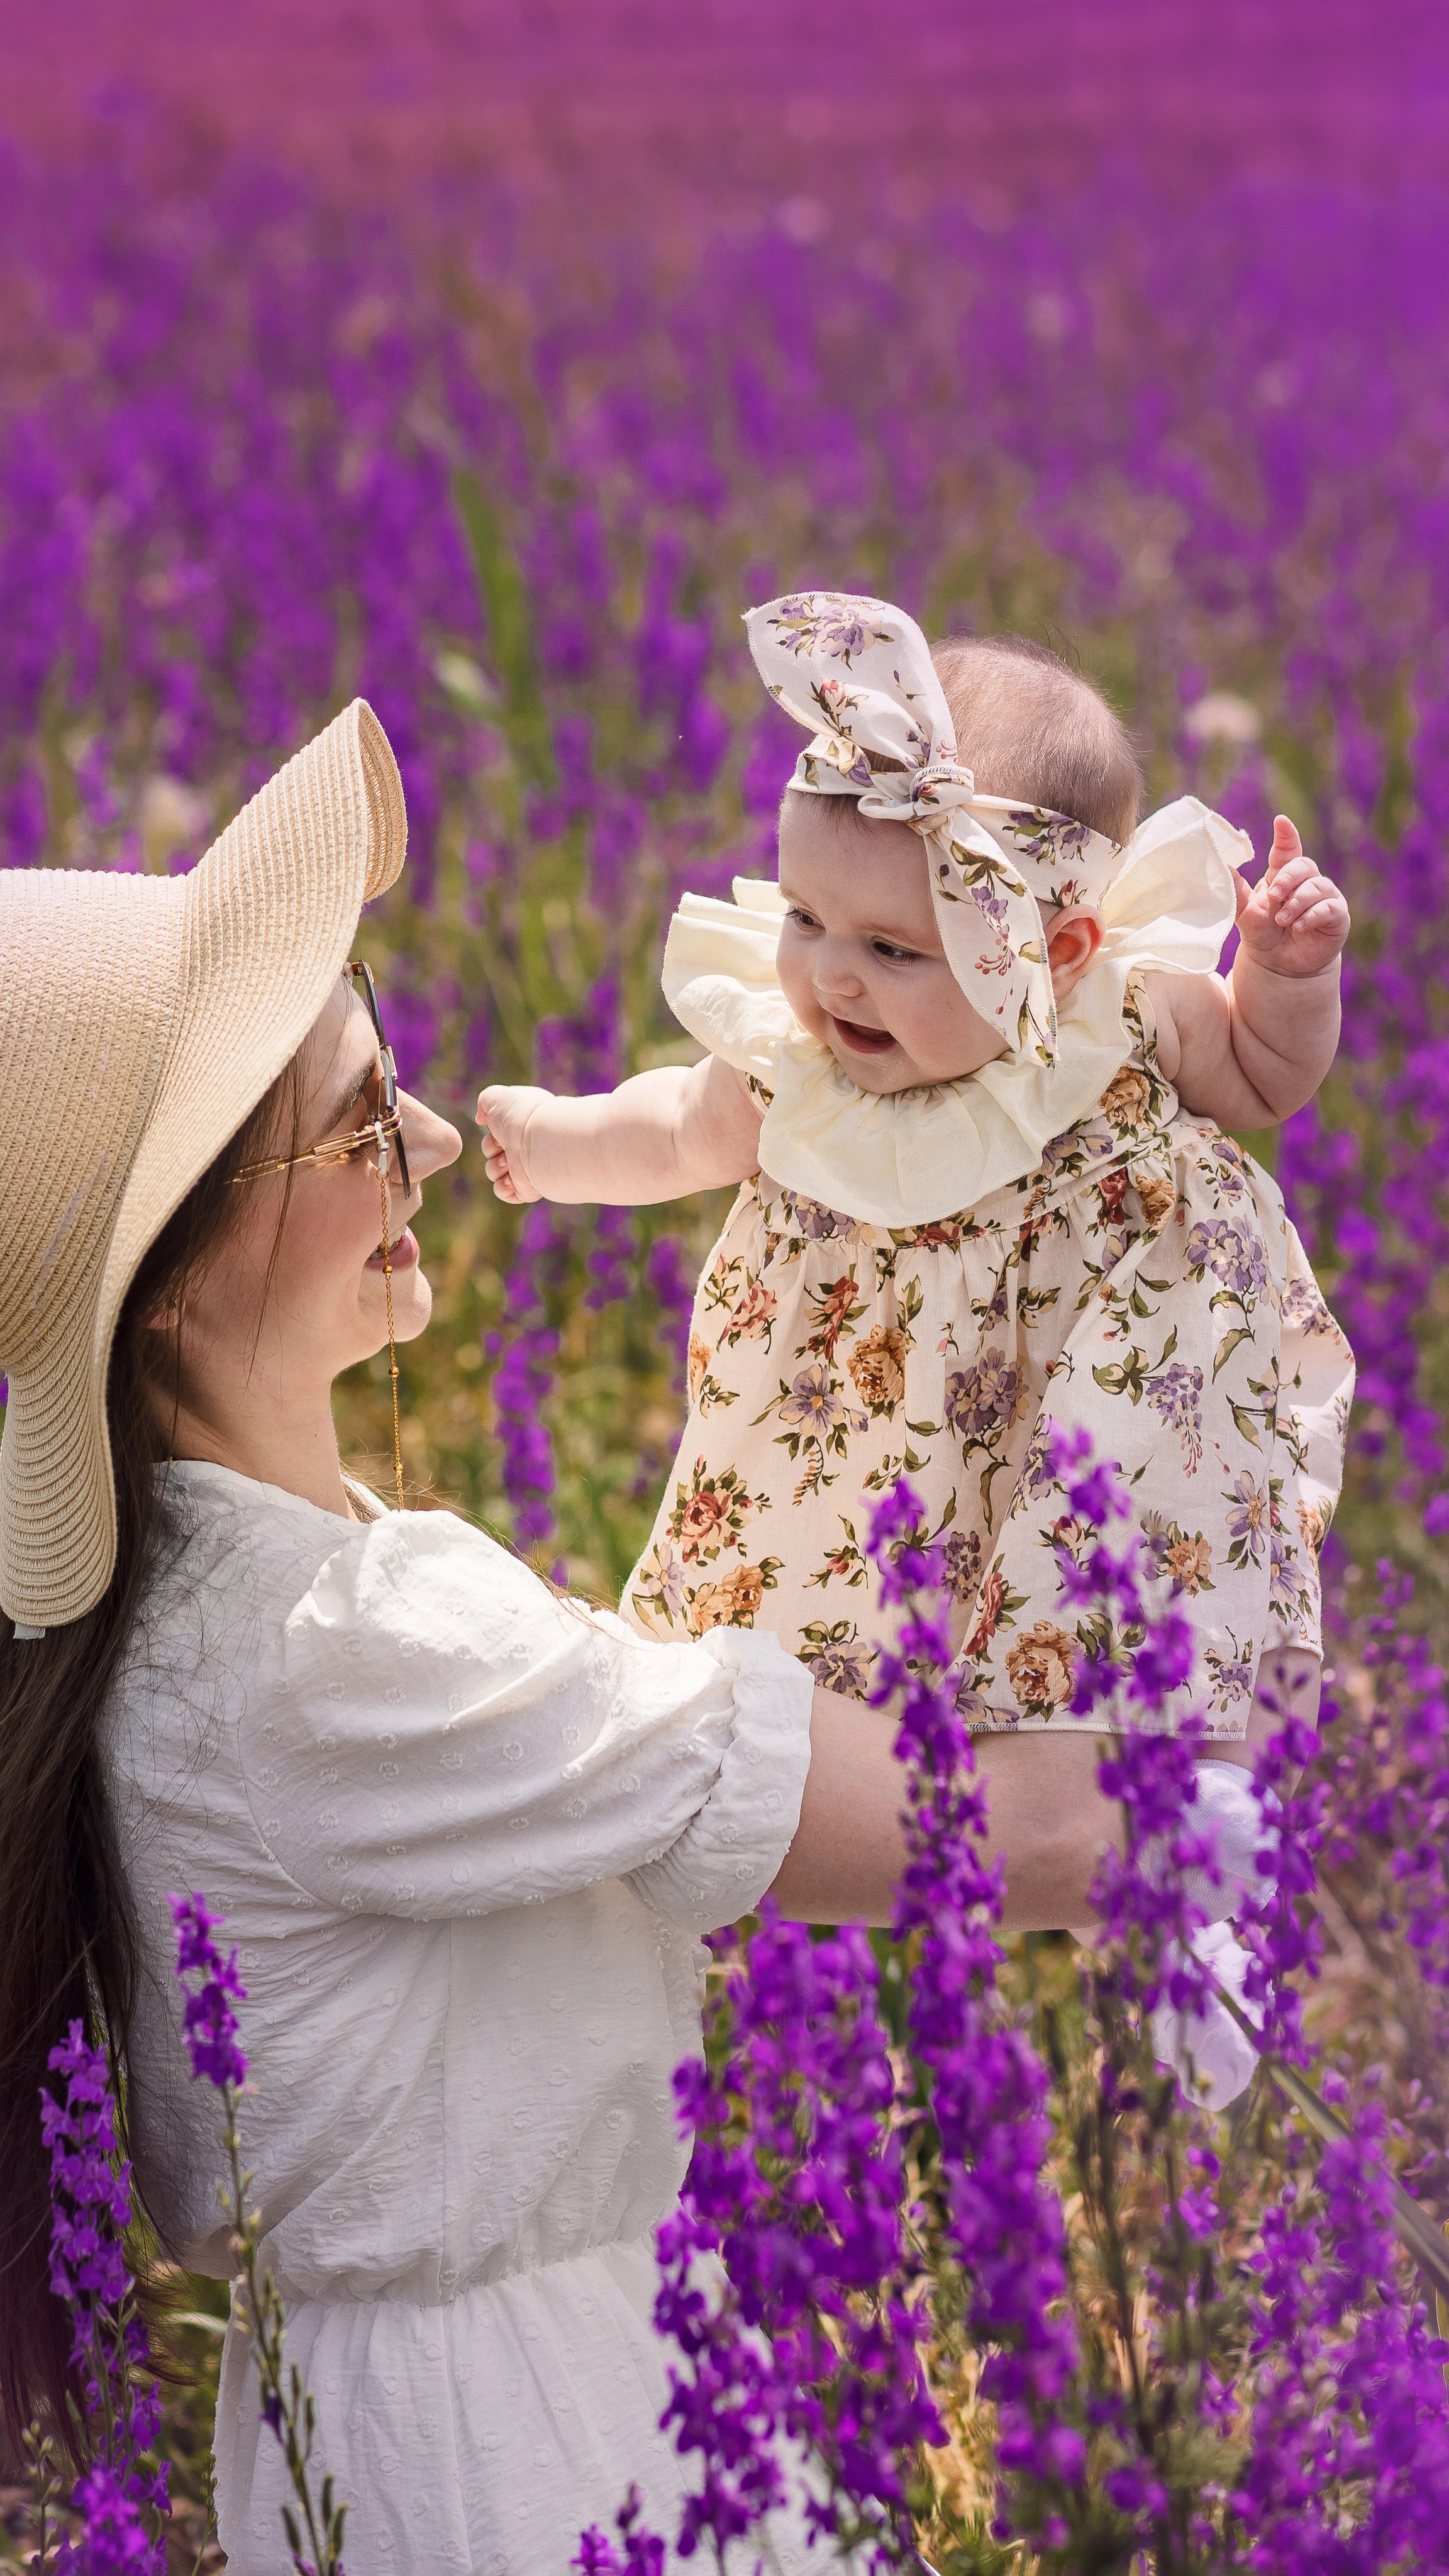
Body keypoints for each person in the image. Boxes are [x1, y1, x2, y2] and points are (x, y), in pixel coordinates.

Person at [0, 701, 1126, 2575]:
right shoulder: (346, 1646)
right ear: (179, 1273)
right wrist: (1175, 1493)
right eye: (361, 1119)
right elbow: (1029, 1838)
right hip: (523, 2463)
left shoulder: (235, 1605)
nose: (435, 1134)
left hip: (442, 2419)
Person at [479, 591, 1354, 1766]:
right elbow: (677, 1128)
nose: (832, 979)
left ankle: (1130, 1781)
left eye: (893, 950)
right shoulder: (801, 1070)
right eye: (805, 919)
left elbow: (1265, 1079)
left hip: (1107, 1401)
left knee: (1123, 1627)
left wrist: (1289, 977)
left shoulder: (1129, 1018)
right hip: (867, 1435)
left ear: (1058, 952)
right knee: (822, 1654)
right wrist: (546, 1140)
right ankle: (856, 1800)